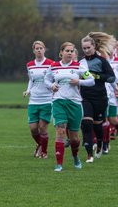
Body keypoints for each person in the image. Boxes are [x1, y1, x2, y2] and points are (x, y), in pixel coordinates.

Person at [44, 42, 95, 172]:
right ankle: (59, 164)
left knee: (74, 137)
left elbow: (92, 81)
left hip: (75, 104)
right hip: (58, 102)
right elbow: (46, 80)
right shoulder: (54, 66)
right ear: (61, 52)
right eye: (67, 51)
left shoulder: (79, 66)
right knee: (60, 131)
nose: (70, 53)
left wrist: (79, 81)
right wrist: (51, 86)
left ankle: (75, 156)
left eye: (72, 51)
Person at [79, 32, 116, 163]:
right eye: (84, 48)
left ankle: (100, 142)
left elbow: (111, 77)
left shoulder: (102, 61)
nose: (87, 50)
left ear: (94, 46)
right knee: (86, 123)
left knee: (98, 126)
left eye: (88, 47)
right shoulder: (80, 63)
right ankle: (89, 155)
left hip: (100, 98)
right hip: (85, 97)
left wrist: (96, 76)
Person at [23, 41, 54, 159]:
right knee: (33, 129)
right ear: (34, 51)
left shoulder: (51, 63)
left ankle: (44, 152)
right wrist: (28, 90)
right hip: (33, 100)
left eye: (41, 48)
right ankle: (40, 144)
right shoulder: (30, 64)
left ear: (44, 49)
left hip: (47, 100)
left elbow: (54, 78)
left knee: (42, 127)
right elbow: (31, 80)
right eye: (37, 48)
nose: (39, 50)